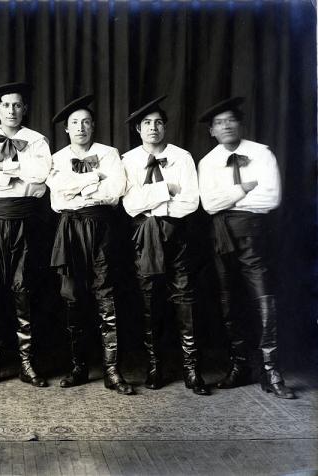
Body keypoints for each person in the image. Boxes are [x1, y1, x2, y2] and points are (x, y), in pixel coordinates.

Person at [197, 97, 294, 399]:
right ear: (212, 131)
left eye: (231, 120)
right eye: (219, 123)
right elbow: (209, 204)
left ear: (240, 124)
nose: (226, 126)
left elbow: (272, 198)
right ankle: (240, 366)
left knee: (264, 300)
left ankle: (270, 371)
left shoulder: (261, 154)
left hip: (254, 234)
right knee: (228, 303)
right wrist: (245, 188)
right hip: (220, 236)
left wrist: (230, 198)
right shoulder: (208, 161)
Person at [122, 95, 210, 396]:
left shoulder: (182, 157)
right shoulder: (128, 160)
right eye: (147, 123)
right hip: (143, 236)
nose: (153, 128)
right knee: (149, 300)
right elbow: (131, 205)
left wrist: (158, 206)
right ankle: (155, 365)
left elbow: (190, 201)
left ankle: (191, 368)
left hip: (177, 234)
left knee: (184, 298)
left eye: (158, 122)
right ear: (138, 129)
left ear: (165, 126)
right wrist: (166, 189)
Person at [46, 94, 134, 394]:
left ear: (93, 126)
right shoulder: (57, 158)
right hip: (70, 229)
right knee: (73, 298)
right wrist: (93, 179)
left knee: (106, 296)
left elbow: (115, 191)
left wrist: (78, 188)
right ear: (67, 129)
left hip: (102, 229)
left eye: (85, 122)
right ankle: (79, 367)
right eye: (74, 123)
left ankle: (112, 371)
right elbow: (57, 197)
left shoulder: (109, 153)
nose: (80, 127)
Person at [0, 81, 51, 388]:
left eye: (18, 105)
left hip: (26, 221)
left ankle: (27, 363)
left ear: (24, 109)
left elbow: (41, 176)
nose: (12, 110)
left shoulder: (37, 140)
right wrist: (17, 172)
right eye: (7, 105)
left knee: (24, 290)